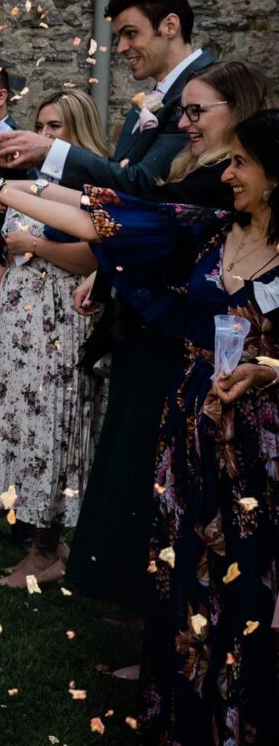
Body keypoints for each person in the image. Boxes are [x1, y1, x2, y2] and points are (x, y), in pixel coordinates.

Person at [0, 108, 279, 746]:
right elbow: (102, 213)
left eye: (241, 163)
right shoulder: (204, 230)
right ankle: (181, 720)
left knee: (248, 585)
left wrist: (270, 370)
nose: (227, 173)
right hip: (191, 430)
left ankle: (241, 722)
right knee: (183, 575)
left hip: (261, 448)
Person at [65, 60, 267, 615]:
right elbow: (147, 235)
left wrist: (21, 184)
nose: (185, 122)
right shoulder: (203, 175)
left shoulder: (217, 186)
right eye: (182, 111)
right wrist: (104, 271)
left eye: (197, 111)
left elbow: (134, 217)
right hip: (181, 359)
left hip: (211, 371)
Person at [0, 90, 106, 588]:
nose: (44, 136)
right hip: (20, 328)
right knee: (25, 427)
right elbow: (11, 261)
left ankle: (44, 552)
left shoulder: (89, 185)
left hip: (60, 325)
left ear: (78, 133)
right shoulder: (32, 185)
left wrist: (34, 244)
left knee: (53, 430)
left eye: (55, 128)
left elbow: (94, 260)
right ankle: (47, 542)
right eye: (41, 126)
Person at [0, 0, 213, 196]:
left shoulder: (206, 89)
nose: (121, 48)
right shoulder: (160, 94)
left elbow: (144, 183)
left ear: (170, 26)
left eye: (130, 33)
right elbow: (118, 180)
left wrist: (51, 151)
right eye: (119, 38)